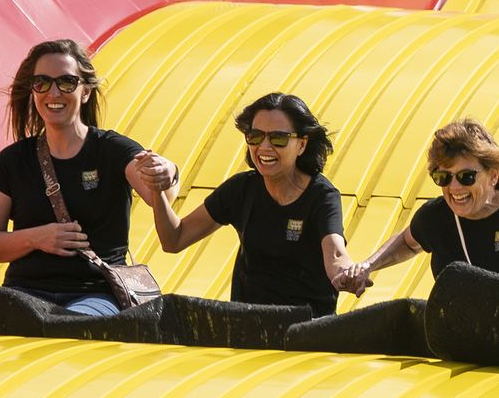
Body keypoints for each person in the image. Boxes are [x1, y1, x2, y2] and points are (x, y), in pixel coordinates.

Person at [0, 39, 180, 314]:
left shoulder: (112, 150)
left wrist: (168, 173)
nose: (54, 92)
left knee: (71, 327)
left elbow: (158, 194)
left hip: (96, 294)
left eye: (67, 82)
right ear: (33, 91)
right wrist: (37, 238)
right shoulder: (13, 160)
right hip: (25, 293)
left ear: (85, 92)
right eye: (42, 83)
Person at [148, 91, 353, 317]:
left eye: (278, 138)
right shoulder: (242, 189)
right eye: (255, 136)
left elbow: (335, 254)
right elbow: (174, 239)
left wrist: (347, 274)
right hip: (248, 326)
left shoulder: (321, 195)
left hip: (306, 327)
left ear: (302, 145)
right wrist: (157, 189)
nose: (264, 147)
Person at [341, 119, 499, 292]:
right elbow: (407, 242)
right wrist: (368, 266)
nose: (454, 187)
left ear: (493, 175)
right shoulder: (435, 216)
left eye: (466, 177)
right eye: (443, 177)